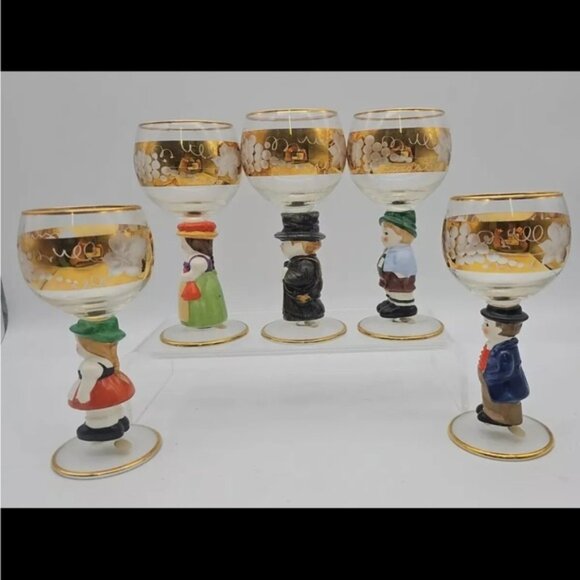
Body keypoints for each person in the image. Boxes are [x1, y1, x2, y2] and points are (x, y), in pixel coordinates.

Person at [68, 317, 135, 442]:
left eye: (78, 343)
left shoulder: (90, 366)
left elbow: (87, 385)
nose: (77, 347)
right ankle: (119, 418)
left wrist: (83, 397)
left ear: (90, 346)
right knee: (113, 406)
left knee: (98, 412)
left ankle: (101, 427)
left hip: (99, 394)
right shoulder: (107, 361)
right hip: (112, 390)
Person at [476, 305, 530, 427]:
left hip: (504, 387)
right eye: (484, 323)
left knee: (504, 403)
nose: (483, 327)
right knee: (489, 397)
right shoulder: (495, 344)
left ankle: (505, 419)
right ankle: (489, 410)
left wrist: (488, 377)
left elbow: (504, 372)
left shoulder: (505, 352)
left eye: (487, 325)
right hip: (490, 381)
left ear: (503, 329)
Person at [274, 212, 325, 324]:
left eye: (285, 243)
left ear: (300, 244)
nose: (281, 246)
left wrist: (285, 273)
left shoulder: (305, 264)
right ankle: (304, 321)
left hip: (302, 306)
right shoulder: (301, 261)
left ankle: (305, 321)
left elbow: (298, 278)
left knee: (302, 313)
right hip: (298, 303)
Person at [177, 221, 227, 328]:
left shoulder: (198, 261)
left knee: (203, 303)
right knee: (209, 302)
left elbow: (191, 276)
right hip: (206, 284)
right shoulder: (195, 258)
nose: (181, 244)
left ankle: (205, 321)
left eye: (183, 240)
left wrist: (183, 276)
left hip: (202, 286)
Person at [376, 210, 418, 319]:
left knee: (398, 293)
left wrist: (399, 277)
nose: (383, 237)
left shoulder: (404, 253)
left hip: (399, 281)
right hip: (390, 278)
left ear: (402, 235)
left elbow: (405, 268)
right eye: (383, 233)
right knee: (391, 291)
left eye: (387, 233)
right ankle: (392, 302)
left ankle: (403, 306)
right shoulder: (391, 249)